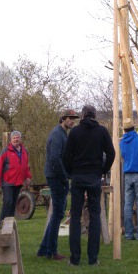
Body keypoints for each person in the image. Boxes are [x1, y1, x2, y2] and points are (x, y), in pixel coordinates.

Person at [62, 104, 115, 266]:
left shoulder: (75, 132)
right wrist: (102, 171)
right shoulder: (102, 131)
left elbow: (65, 156)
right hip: (94, 178)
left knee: (75, 217)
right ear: (95, 115)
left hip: (77, 178)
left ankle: (75, 259)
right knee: (95, 216)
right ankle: (93, 259)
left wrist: (71, 172)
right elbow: (111, 153)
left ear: (83, 115)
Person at [37, 108, 79, 260]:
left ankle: (43, 249)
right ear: (63, 119)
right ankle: (51, 251)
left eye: (74, 118)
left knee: (58, 213)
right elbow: (55, 158)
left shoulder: (63, 134)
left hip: (57, 176)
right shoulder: (57, 135)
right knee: (57, 214)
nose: (72, 121)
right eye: (70, 118)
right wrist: (64, 176)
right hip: (56, 177)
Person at [0, 130, 32, 226]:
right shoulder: (5, 152)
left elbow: (25, 166)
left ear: (20, 139)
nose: (16, 139)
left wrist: (28, 176)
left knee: (14, 203)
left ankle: (9, 224)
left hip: (18, 182)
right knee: (8, 201)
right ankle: (1, 223)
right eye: (14, 138)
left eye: (17, 138)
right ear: (11, 140)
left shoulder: (24, 151)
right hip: (7, 181)